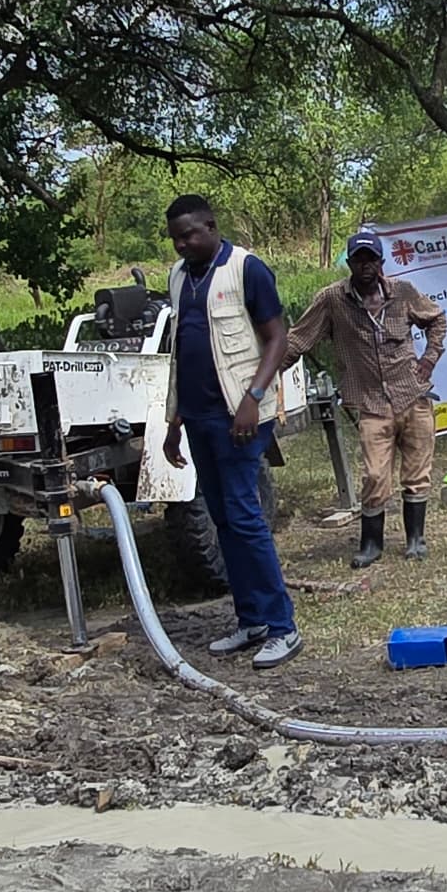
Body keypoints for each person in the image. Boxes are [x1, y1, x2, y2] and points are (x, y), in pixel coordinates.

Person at [159, 194, 302, 670]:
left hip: (239, 417)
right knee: (222, 520)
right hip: (198, 417)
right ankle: (252, 620)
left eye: (188, 235)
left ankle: (283, 627)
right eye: (175, 239)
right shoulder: (179, 277)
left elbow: (277, 338)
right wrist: (174, 421)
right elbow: (181, 352)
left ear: (211, 226)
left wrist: (253, 398)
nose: (181, 245)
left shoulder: (246, 269)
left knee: (244, 518)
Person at [283, 229, 447, 568]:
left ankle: (415, 540)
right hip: (371, 404)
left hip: (412, 397)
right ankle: (371, 544)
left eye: (371, 259)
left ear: (381, 262)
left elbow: (436, 319)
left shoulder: (403, 292)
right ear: (349, 264)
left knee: (417, 472)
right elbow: (298, 340)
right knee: (374, 475)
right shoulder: (332, 300)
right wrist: (265, 374)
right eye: (358, 260)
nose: (365, 266)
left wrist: (429, 359)